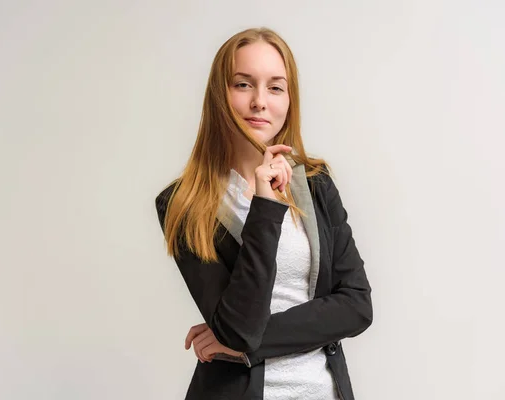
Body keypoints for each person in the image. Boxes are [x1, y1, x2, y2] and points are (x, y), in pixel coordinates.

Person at [155, 27, 372, 400]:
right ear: (219, 95)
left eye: (275, 87)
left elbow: (356, 305)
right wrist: (266, 207)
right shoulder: (185, 203)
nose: (260, 101)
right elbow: (239, 328)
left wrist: (235, 342)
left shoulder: (316, 185)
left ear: (289, 100)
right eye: (243, 84)